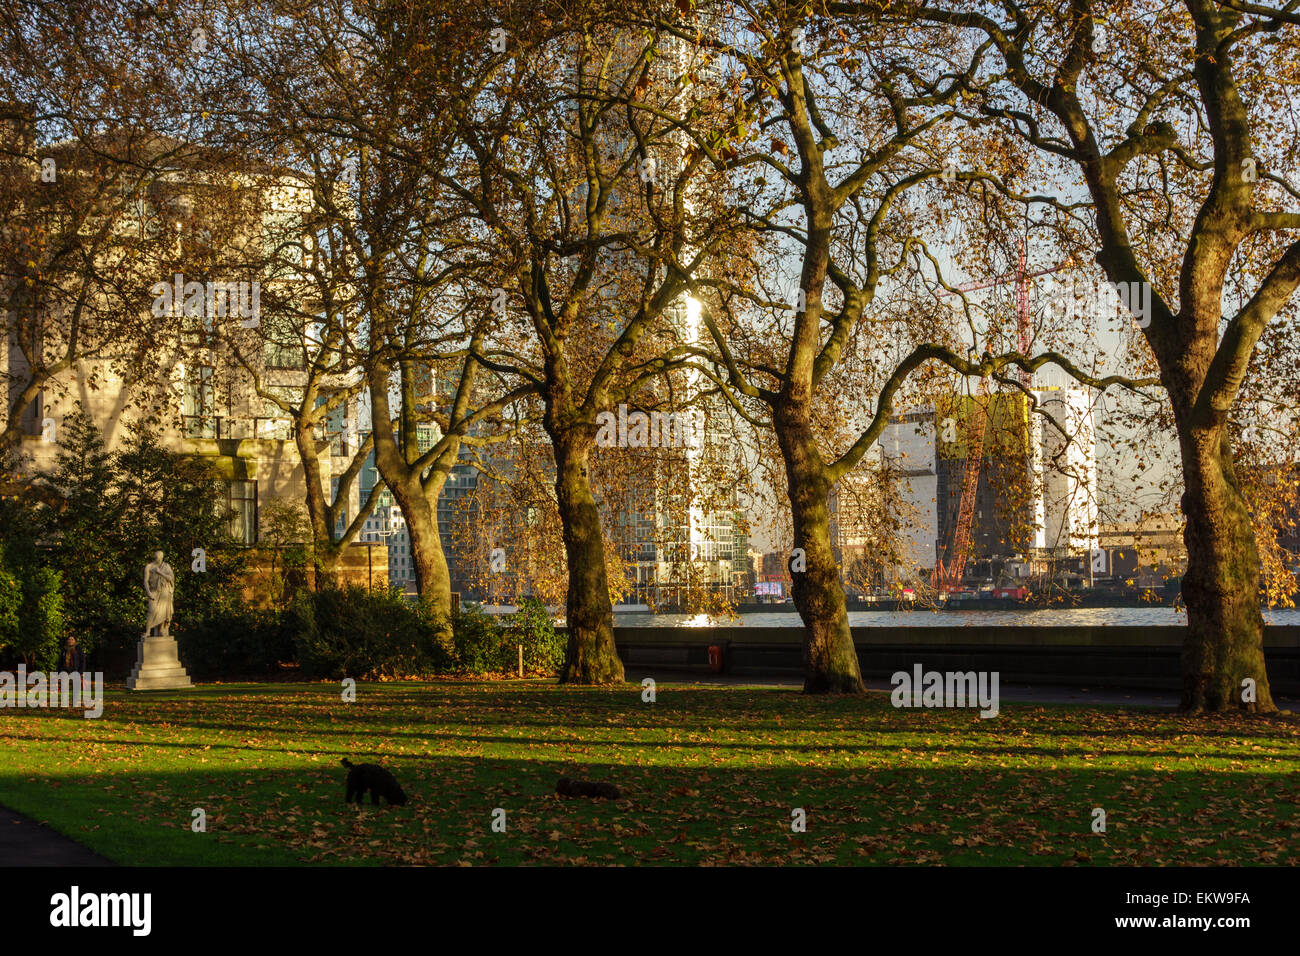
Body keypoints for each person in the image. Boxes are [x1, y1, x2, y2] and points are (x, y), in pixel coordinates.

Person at [143, 551, 175, 638]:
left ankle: (161, 630)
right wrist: (149, 593)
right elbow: (145, 581)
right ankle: (148, 631)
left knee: (163, 612)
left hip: (164, 591)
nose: (159, 559)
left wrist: (159, 572)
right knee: (151, 611)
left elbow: (170, 578)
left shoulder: (166, 566)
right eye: (157, 557)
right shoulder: (149, 566)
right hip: (154, 591)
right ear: (155, 557)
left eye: (160, 557)